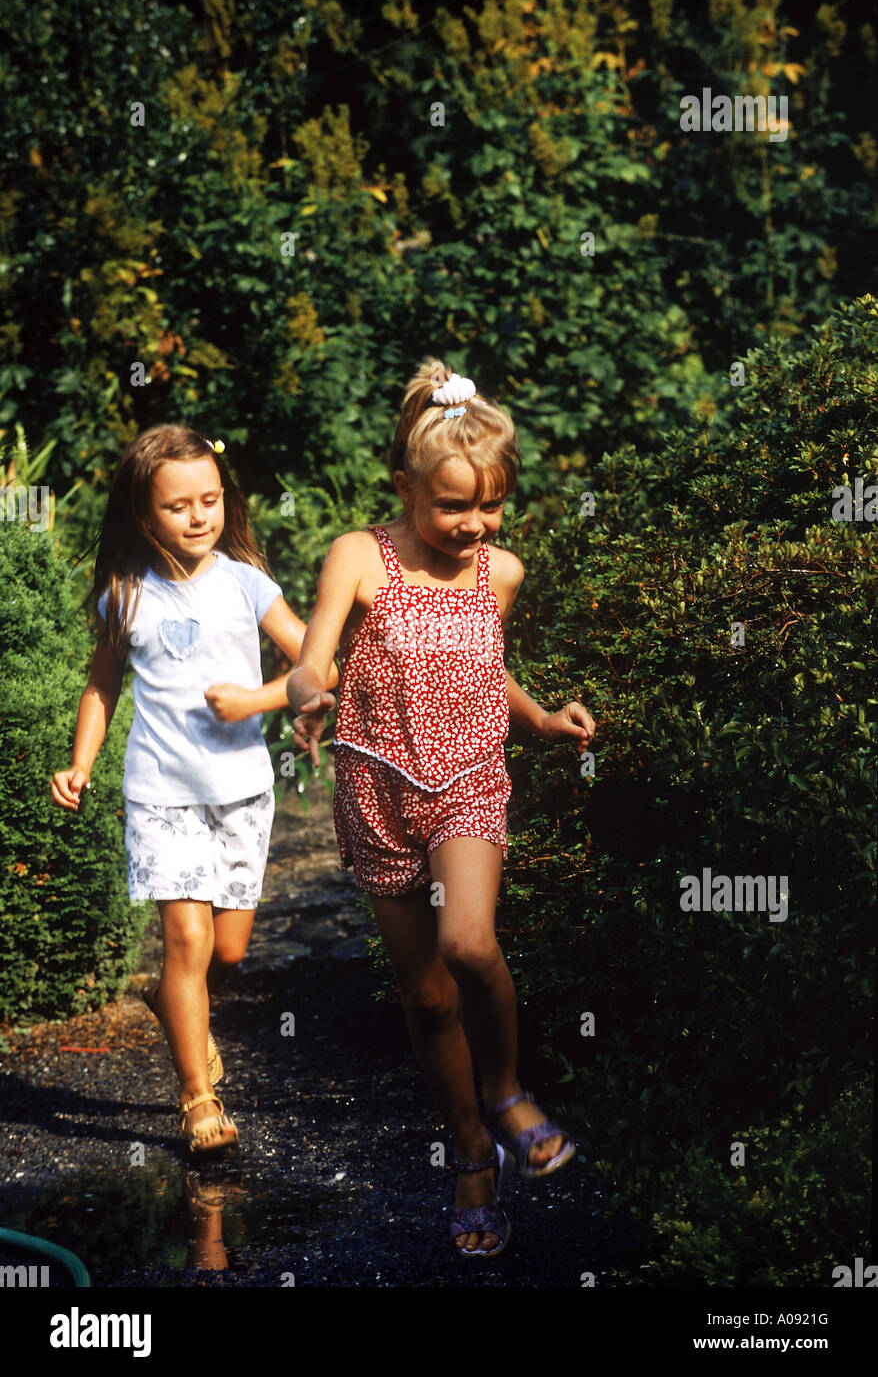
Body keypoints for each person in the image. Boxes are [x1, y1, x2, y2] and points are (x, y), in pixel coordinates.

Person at [286, 361, 596, 1256]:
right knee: (425, 995)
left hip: (467, 777)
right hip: (376, 784)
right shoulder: (360, 555)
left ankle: (505, 1091)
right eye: (454, 507)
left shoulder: (500, 571)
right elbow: (314, 657)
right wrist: (308, 692)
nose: (475, 527)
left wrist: (537, 716)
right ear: (405, 487)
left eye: (491, 506)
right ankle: (470, 1153)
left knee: (469, 944)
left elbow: (480, 667)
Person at [51, 424, 336, 1155]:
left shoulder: (246, 582)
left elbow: (316, 663)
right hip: (161, 792)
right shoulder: (124, 594)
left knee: (228, 952)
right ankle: (196, 1096)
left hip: (242, 789)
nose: (200, 516)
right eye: (180, 506)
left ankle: (166, 998)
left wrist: (264, 700)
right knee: (186, 938)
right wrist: (81, 763)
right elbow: (101, 684)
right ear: (145, 517)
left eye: (210, 499)